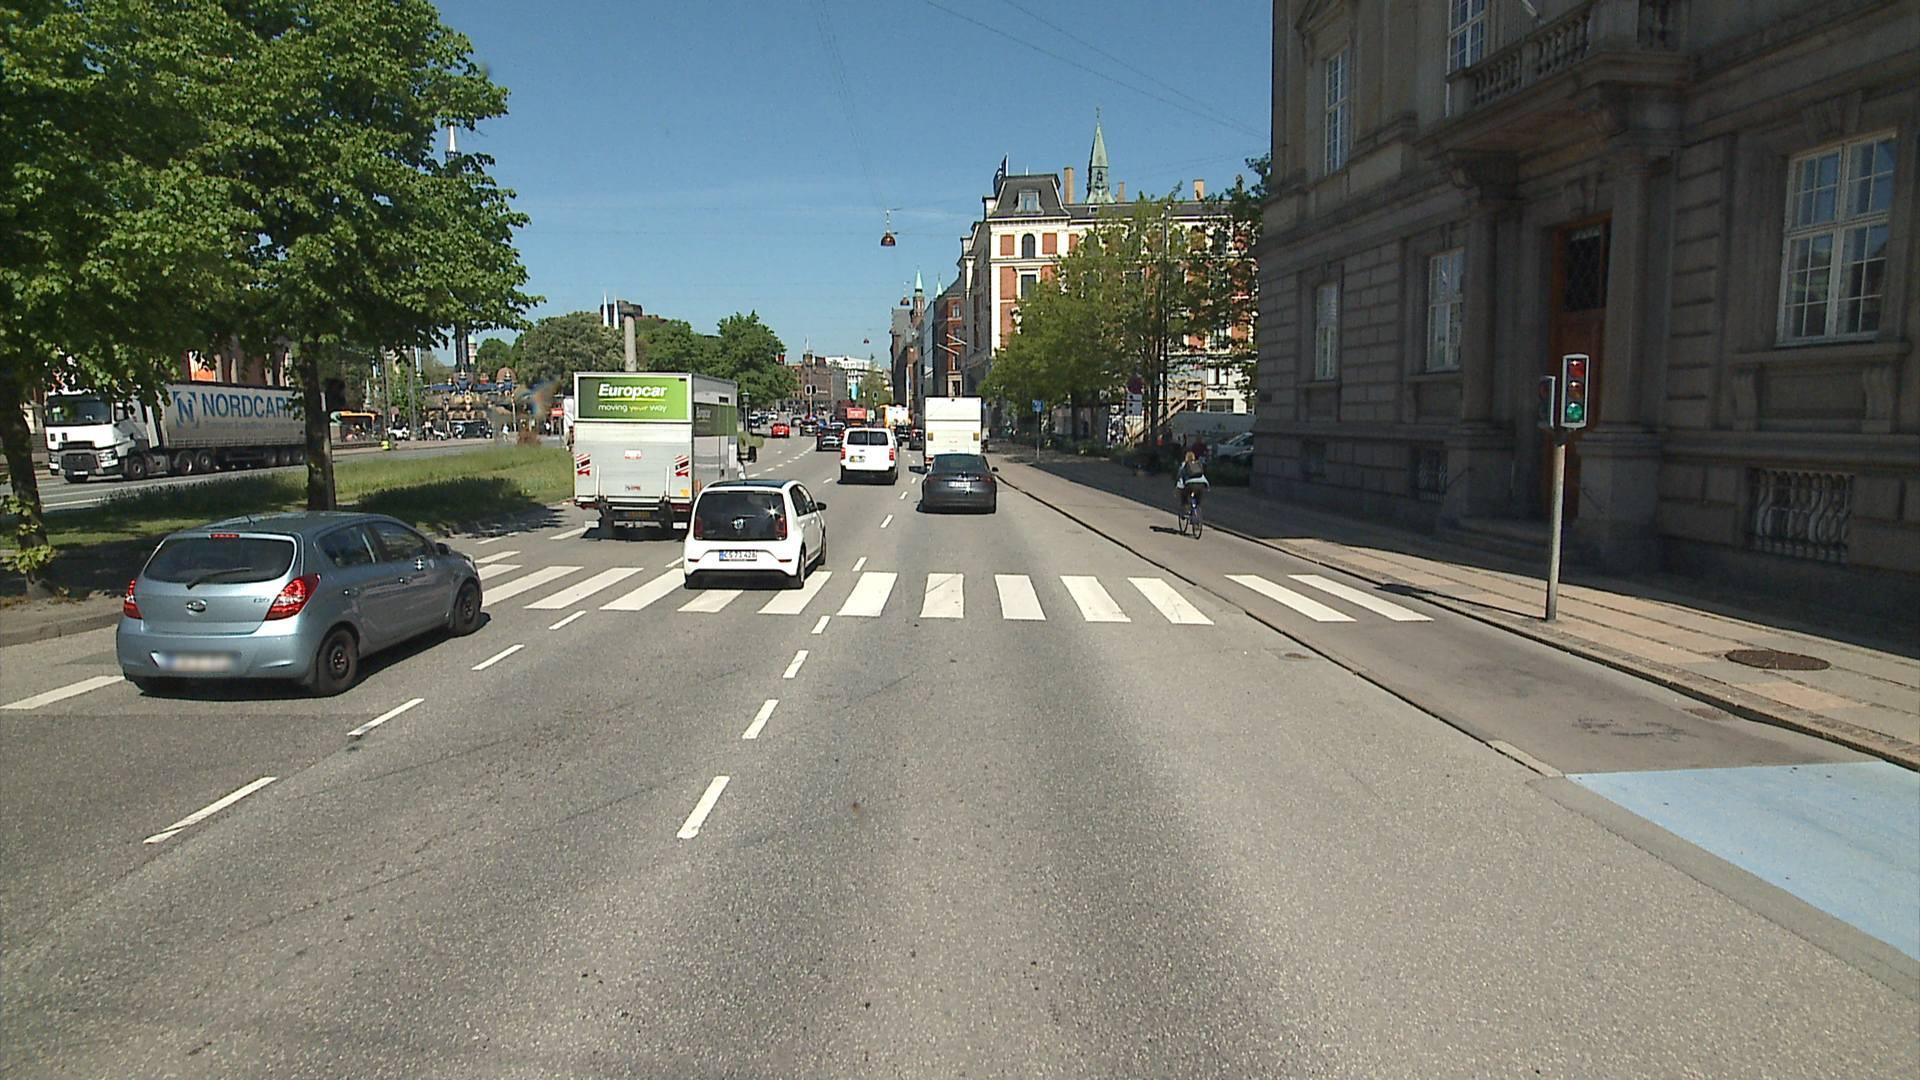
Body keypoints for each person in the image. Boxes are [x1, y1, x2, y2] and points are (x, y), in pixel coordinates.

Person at [1174, 449, 1209, 520]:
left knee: (1184, 495)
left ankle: (1186, 509)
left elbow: (1180, 476)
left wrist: (1177, 486)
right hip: (1201, 484)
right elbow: (1203, 475)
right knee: (1198, 500)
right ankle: (1197, 513)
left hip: (1190, 485)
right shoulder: (1198, 464)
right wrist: (1207, 487)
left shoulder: (1184, 464)